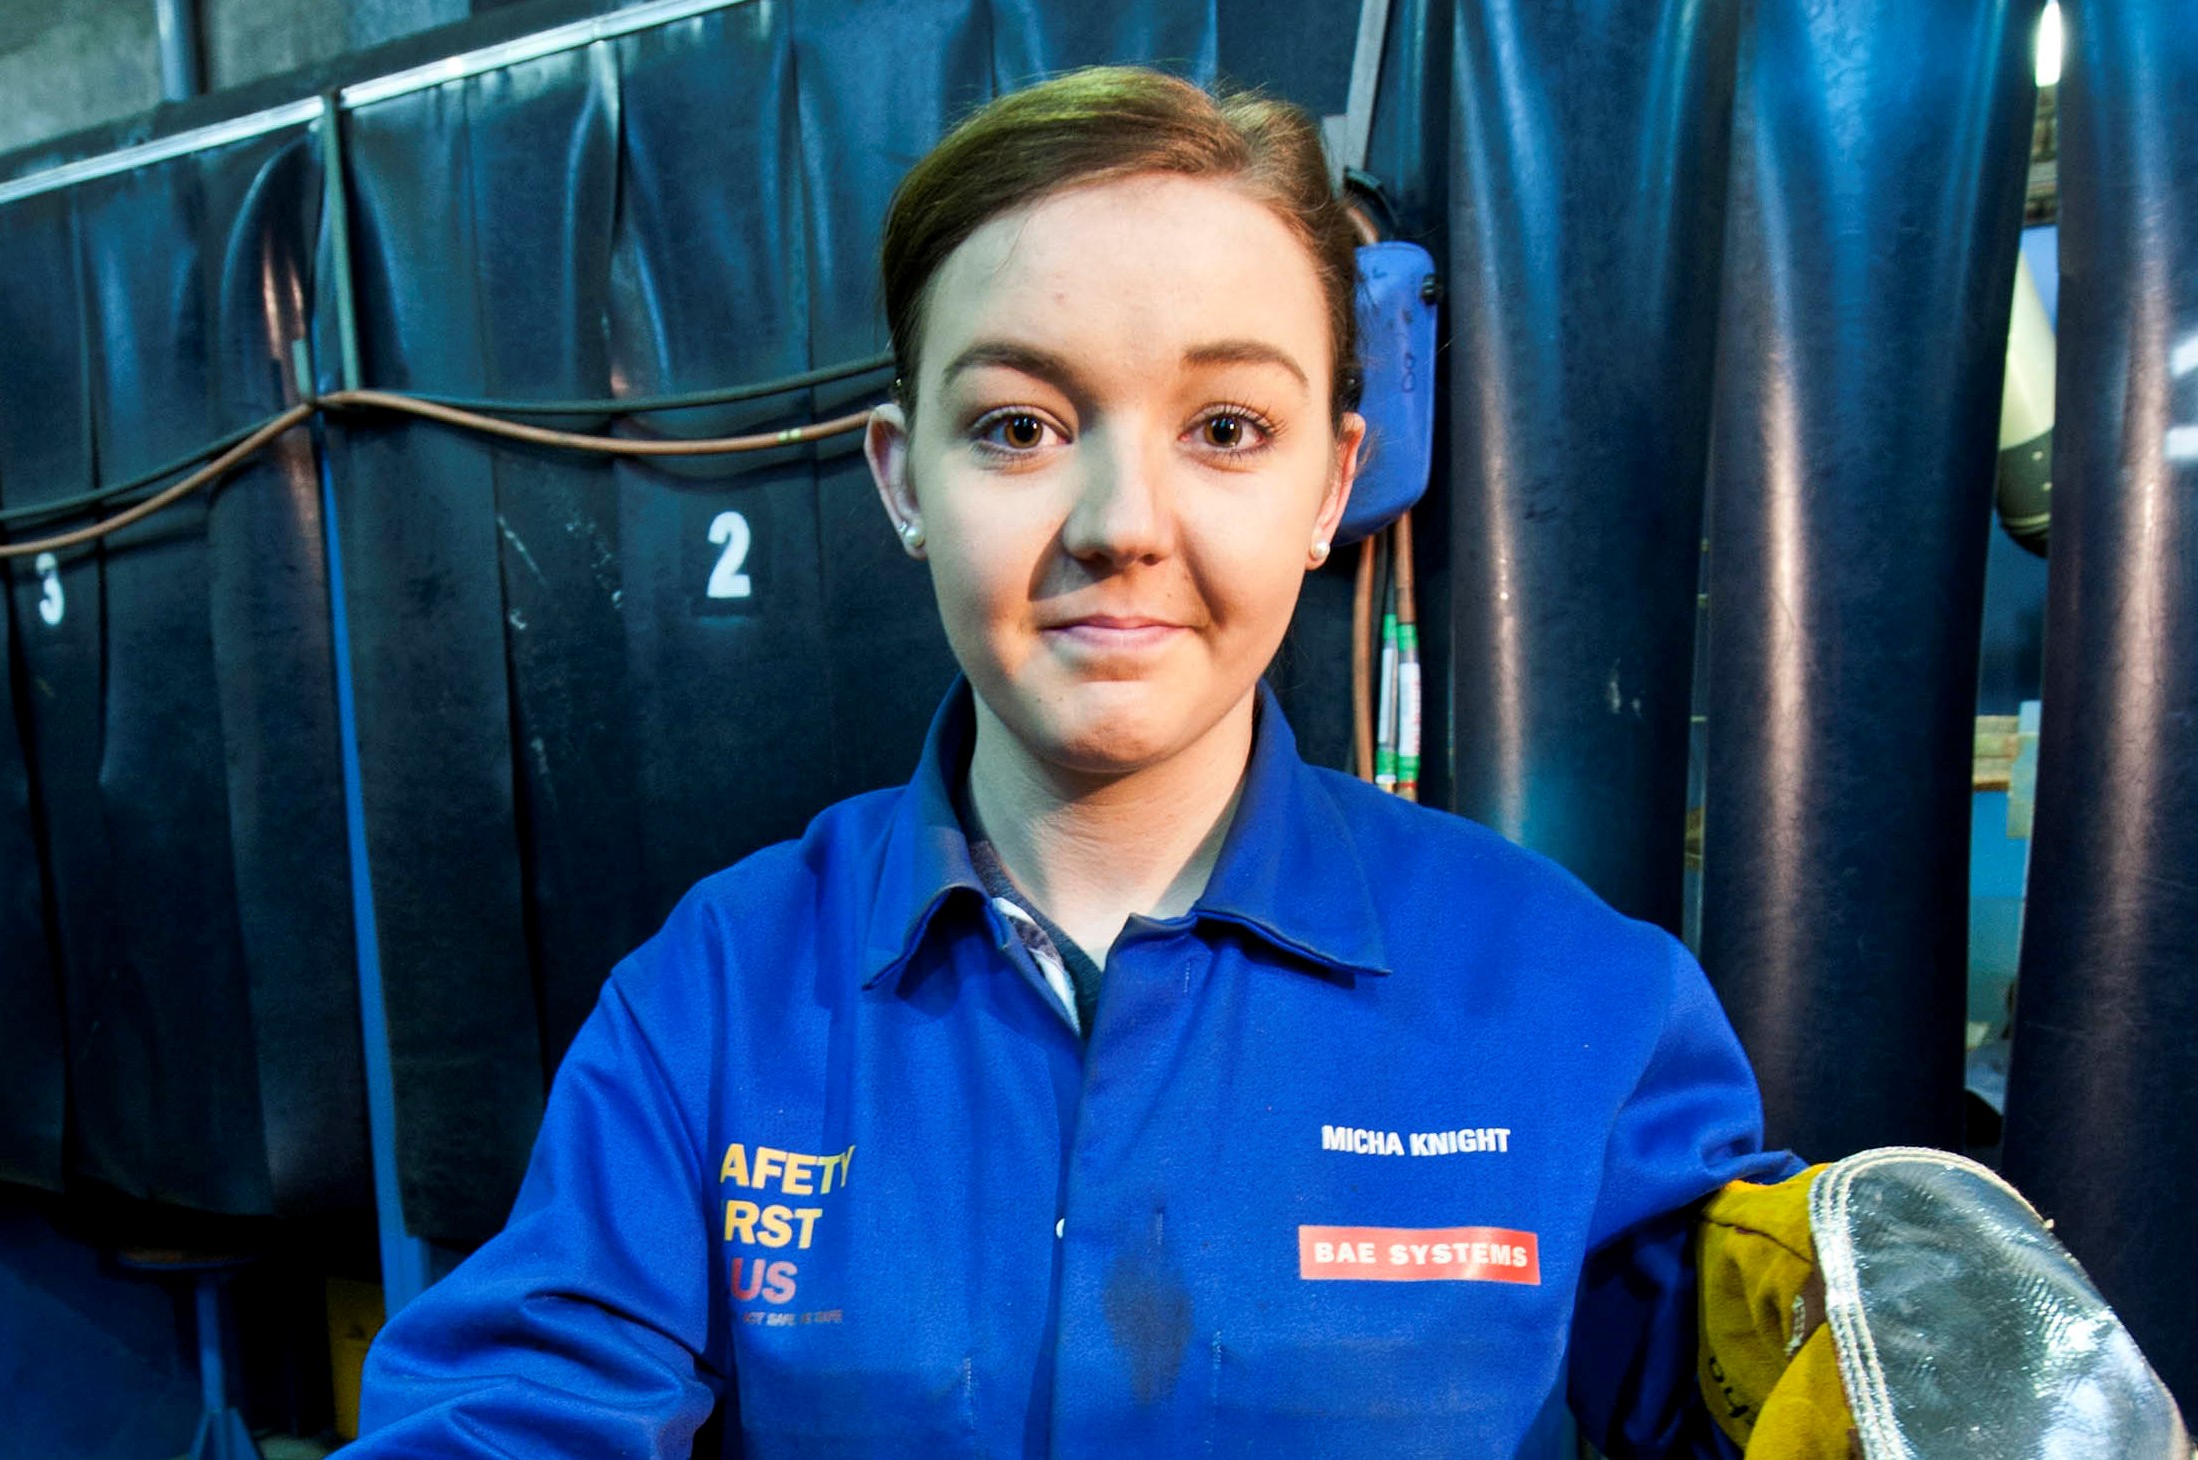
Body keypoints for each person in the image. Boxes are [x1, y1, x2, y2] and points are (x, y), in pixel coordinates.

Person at [354, 65, 1804, 1458]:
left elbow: (1786, 1371)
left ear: (1332, 482)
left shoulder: (1574, 1007)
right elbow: (516, 1411)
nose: (1122, 521)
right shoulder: (716, 1011)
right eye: (1018, 427)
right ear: (903, 476)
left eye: (1227, 428)